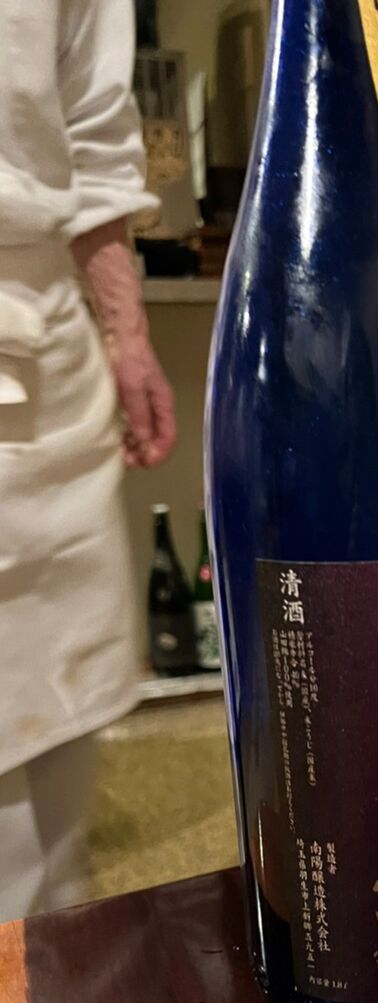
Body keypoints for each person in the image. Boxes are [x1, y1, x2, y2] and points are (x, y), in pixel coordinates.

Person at [0, 0, 176, 922]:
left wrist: (127, 333)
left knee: (64, 695)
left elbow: (96, 135)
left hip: (42, 326)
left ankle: (54, 963)